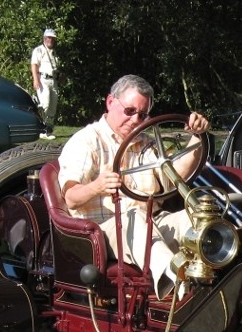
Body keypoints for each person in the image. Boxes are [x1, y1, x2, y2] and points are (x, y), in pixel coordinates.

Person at [56, 74, 210, 297]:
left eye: (143, 114)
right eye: (129, 111)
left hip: (150, 222)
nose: (136, 120)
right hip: (103, 232)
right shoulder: (86, 141)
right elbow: (71, 197)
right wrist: (97, 185)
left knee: (198, 219)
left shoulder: (146, 143)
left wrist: (197, 137)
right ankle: (175, 281)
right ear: (110, 102)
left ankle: (219, 281)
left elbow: (175, 179)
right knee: (133, 218)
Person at [30, 28, 60, 139]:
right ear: (44, 38)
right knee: (45, 104)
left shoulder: (55, 52)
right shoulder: (39, 50)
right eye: (48, 37)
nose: (50, 40)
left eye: (52, 38)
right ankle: (40, 129)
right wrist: (35, 79)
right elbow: (34, 65)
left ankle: (48, 129)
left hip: (53, 80)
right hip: (43, 79)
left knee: (53, 106)